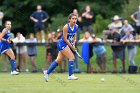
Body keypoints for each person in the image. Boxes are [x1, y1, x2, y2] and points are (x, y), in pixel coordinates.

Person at [43, 13, 78, 81]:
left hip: (67, 44)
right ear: (69, 19)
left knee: (59, 60)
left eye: (75, 19)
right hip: (61, 44)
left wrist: (74, 43)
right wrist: (71, 47)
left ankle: (47, 73)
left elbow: (74, 35)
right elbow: (65, 39)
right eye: (73, 19)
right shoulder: (66, 27)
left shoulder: (76, 26)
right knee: (71, 57)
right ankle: (70, 75)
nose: (74, 20)